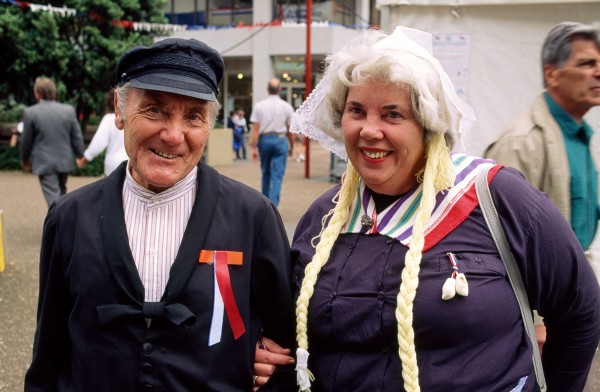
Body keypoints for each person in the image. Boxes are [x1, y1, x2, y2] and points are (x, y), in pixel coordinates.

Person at [283, 27, 599, 391]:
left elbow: (580, 310)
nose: (370, 130)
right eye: (357, 110)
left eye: (392, 115)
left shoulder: (497, 197)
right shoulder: (324, 217)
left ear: (428, 124)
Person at [24, 38, 296, 392]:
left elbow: (283, 349)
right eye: (154, 110)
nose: (172, 135)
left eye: (194, 116)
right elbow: (49, 351)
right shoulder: (69, 217)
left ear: (209, 126)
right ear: (120, 113)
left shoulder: (253, 216)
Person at [484, 22, 600, 366]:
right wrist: (533, 319)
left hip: (571, 295)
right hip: (540, 310)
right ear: (552, 74)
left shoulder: (579, 133)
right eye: (586, 64)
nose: (598, 72)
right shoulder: (523, 141)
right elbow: (499, 242)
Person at [20, 76, 85, 207]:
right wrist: (80, 154)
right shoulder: (68, 110)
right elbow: (76, 136)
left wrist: (24, 160)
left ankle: (61, 226)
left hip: (45, 162)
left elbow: (26, 140)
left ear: (37, 93)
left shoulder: (30, 112)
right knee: (61, 194)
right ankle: (64, 223)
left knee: (54, 199)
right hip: (64, 161)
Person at [250, 78, 294, 207]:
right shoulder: (287, 107)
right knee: (277, 175)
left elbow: (256, 129)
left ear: (267, 89)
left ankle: (264, 203)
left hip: (264, 140)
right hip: (280, 140)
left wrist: (253, 148)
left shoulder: (259, 106)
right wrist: (291, 145)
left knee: (265, 172)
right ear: (280, 89)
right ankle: (273, 205)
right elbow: (290, 130)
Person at [76, 89, 128, 176]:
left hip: (113, 167)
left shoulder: (109, 119)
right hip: (132, 166)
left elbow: (98, 142)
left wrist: (85, 158)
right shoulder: (135, 119)